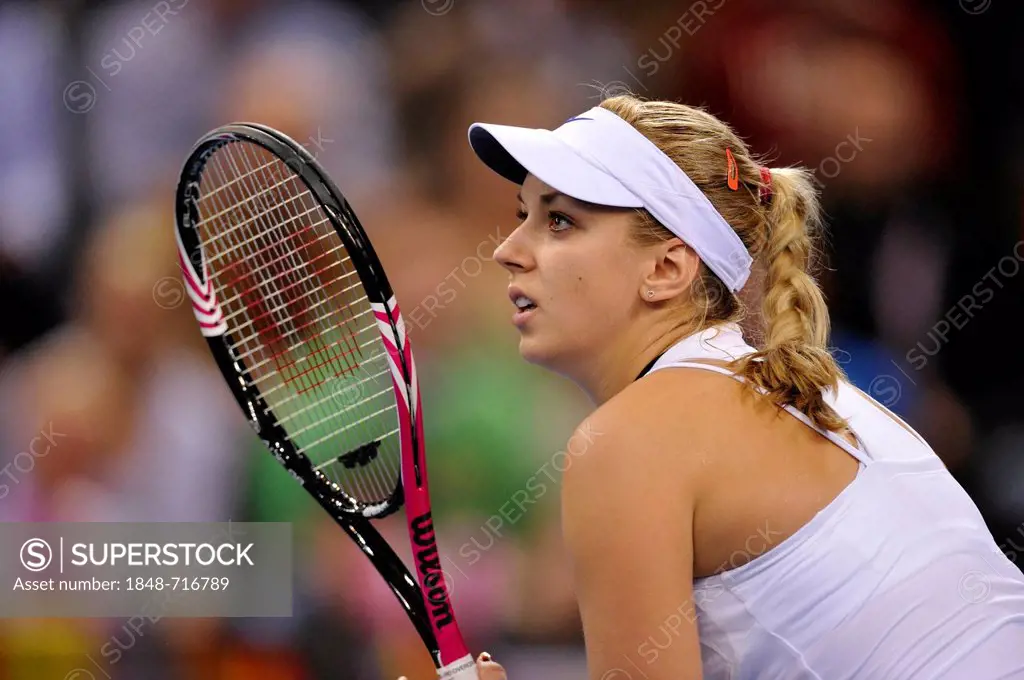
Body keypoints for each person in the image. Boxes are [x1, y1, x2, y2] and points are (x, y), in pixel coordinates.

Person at [456, 96, 1024, 679]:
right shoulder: (830, 402)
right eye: (521, 214)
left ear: (667, 269)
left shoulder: (627, 443)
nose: (507, 250)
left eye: (559, 221)